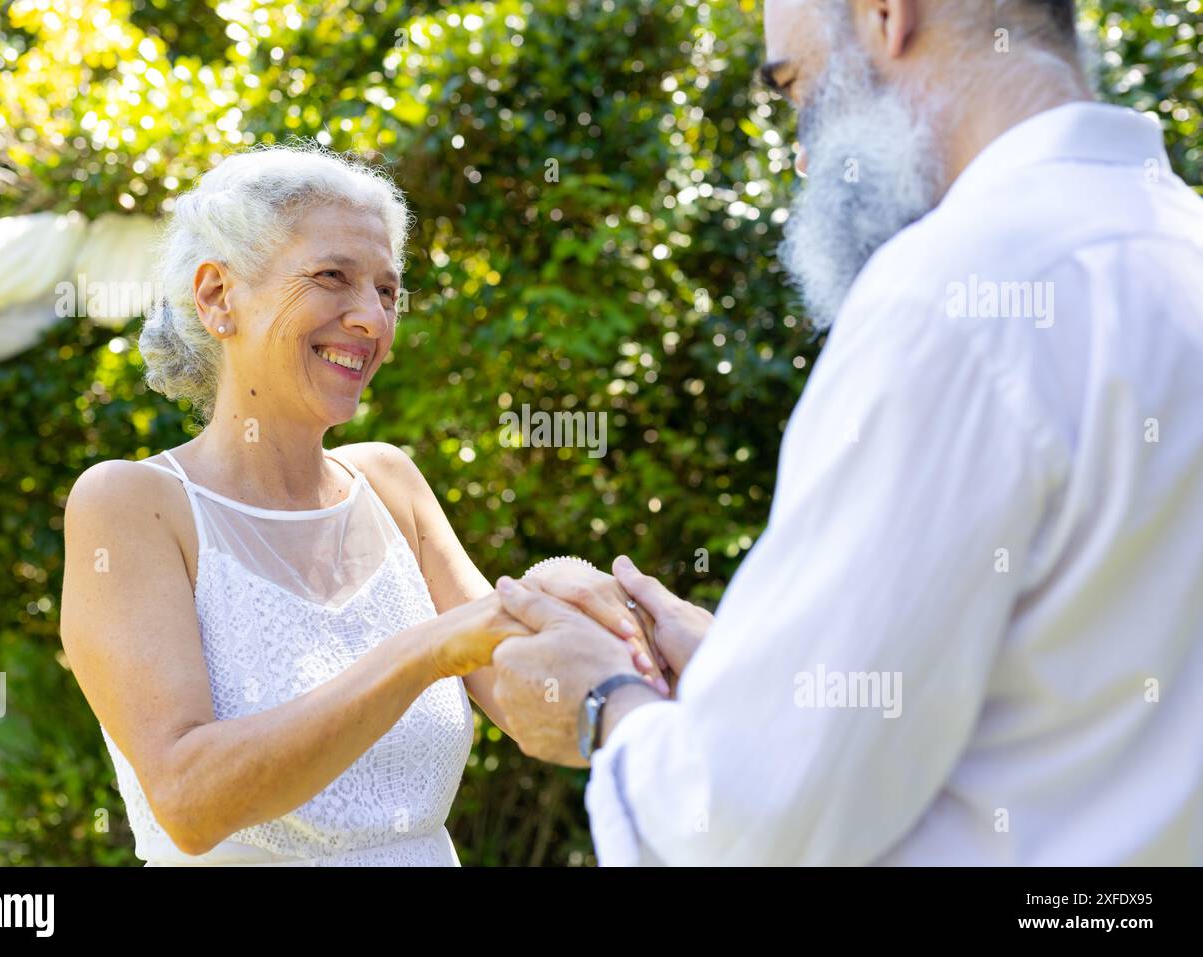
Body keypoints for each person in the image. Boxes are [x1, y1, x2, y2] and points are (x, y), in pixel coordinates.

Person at [488, 0, 1203, 865]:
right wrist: (749, 675)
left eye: (796, 89)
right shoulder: (1173, 244)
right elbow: (1063, 691)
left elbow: (752, 830)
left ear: (885, 17)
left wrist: (602, 702)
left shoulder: (954, 295)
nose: (798, 151)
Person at [59, 145, 661, 866]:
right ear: (218, 296)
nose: (372, 320)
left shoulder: (390, 484)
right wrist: (425, 650)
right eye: (332, 277)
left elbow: (526, 692)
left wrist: (601, 619)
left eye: (387, 291)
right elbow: (191, 801)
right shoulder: (132, 506)